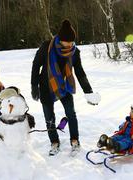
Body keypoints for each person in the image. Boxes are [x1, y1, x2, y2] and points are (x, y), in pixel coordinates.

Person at [31, 19, 100, 156]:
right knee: (49, 118)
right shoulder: (47, 47)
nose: (69, 44)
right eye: (67, 42)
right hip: (46, 86)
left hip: (64, 86)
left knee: (71, 114)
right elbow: (36, 65)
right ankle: (54, 142)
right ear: (60, 39)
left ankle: (75, 140)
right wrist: (34, 85)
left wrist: (88, 91)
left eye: (72, 42)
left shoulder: (75, 52)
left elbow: (79, 72)